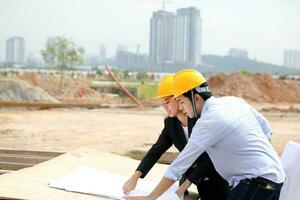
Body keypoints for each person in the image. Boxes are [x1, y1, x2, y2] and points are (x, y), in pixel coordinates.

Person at [125, 69, 285, 200]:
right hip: (269, 180)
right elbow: (266, 129)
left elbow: (178, 166)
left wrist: (150, 198)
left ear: (196, 98)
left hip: (255, 184)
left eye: (181, 101)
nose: (182, 107)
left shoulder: (208, 121)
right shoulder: (233, 101)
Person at [123, 74, 229, 199]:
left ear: (179, 98)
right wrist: (135, 176)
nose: (165, 107)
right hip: (190, 173)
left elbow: (210, 158)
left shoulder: (201, 120)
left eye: (167, 102)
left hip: (215, 173)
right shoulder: (170, 123)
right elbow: (156, 151)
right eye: (162, 103)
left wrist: (187, 183)